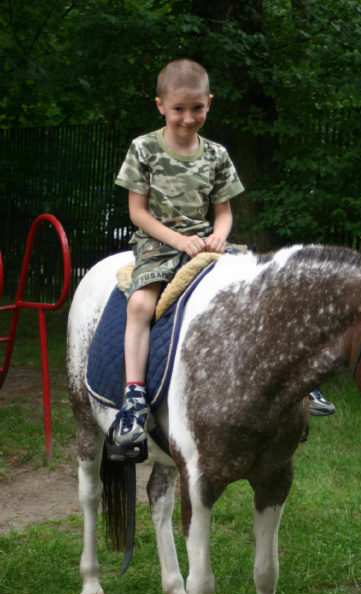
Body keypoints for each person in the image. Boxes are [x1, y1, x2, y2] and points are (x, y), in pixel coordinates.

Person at [113, 58, 245, 445]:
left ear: (209, 102)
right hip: (157, 243)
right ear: (160, 105)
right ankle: (134, 396)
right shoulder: (144, 149)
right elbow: (137, 212)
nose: (188, 118)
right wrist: (176, 240)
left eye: (197, 108)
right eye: (178, 109)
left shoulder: (217, 155)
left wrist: (219, 236)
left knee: (258, 283)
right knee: (140, 304)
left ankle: (296, 386)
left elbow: (224, 213)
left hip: (202, 241)